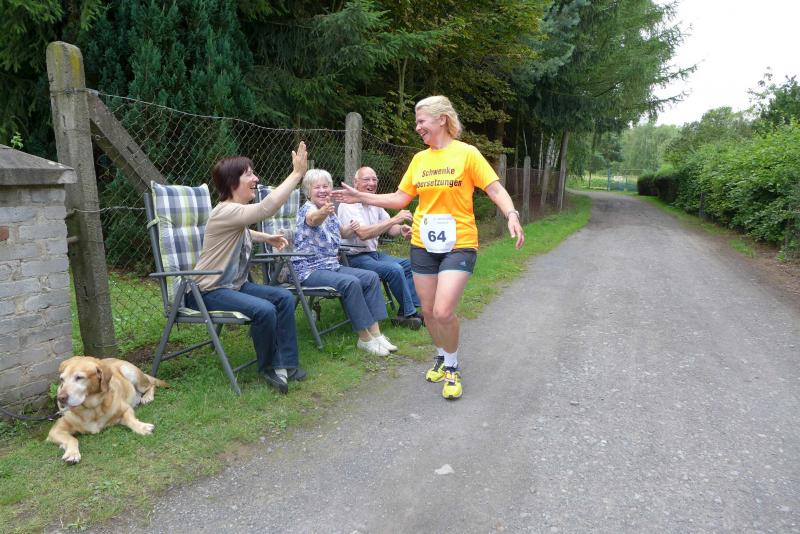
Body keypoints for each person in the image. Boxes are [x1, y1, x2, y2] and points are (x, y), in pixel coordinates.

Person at [333, 96, 524, 399]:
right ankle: (441, 355)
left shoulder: (467, 154)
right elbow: (400, 199)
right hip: (423, 243)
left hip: (459, 243)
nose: (417, 127)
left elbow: (495, 189)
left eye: (421, 121)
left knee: (443, 311)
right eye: (416, 122)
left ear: (442, 119)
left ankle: (452, 367)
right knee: (428, 312)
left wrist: (511, 214)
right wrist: (361, 197)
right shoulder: (419, 160)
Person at [186, 142, 308, 394]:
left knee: (284, 298)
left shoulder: (234, 214)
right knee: (264, 310)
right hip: (207, 291)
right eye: (249, 174)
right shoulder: (226, 210)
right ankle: (268, 367)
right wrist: (296, 174)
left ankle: (287, 363)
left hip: (234, 285)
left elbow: (241, 231)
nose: (256, 179)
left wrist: (266, 238)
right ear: (233, 182)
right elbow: (266, 208)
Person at [292, 169, 396, 357]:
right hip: (309, 270)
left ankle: (376, 335)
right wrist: (323, 212)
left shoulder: (329, 211)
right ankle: (364, 339)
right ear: (308, 191)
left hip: (332, 265)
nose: (322, 190)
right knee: (351, 282)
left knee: (371, 277)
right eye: (317, 187)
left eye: (326, 186)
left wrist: (351, 228)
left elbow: (342, 233)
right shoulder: (308, 209)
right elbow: (313, 220)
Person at [337, 166, 424, 330]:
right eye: (366, 179)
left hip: (373, 254)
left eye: (374, 179)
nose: (371, 183)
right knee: (394, 269)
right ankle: (410, 314)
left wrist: (401, 229)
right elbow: (363, 234)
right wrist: (394, 220)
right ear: (356, 183)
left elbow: (390, 229)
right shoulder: (348, 205)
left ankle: (406, 311)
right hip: (352, 258)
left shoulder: (375, 203)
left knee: (410, 265)